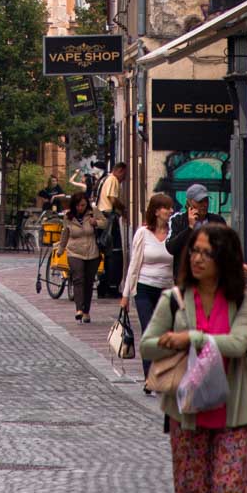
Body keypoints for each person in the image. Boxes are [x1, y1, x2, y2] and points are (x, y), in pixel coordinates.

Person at [142, 223, 247, 493]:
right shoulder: (174, 300)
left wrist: (192, 338)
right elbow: (146, 343)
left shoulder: (244, 304)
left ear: (222, 258)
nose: (196, 258)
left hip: (233, 414)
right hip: (187, 414)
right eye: (194, 251)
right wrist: (168, 340)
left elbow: (239, 344)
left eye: (206, 253)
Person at [120, 192, 175, 381]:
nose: (171, 211)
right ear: (157, 211)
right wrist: (126, 295)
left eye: (171, 207)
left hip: (166, 289)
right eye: (166, 207)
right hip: (144, 287)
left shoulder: (173, 233)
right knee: (149, 330)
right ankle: (150, 377)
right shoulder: (142, 233)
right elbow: (134, 266)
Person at [56, 189, 106, 323]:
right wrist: (61, 248)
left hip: (92, 252)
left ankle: (86, 311)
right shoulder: (68, 217)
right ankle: (78, 309)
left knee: (89, 282)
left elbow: (105, 223)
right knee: (78, 279)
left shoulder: (93, 211)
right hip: (74, 251)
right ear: (74, 205)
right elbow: (65, 233)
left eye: (83, 205)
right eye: (78, 205)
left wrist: (96, 223)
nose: (80, 208)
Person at [165, 188, 226, 275]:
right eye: (200, 202)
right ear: (189, 202)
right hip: (186, 276)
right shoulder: (178, 220)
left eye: (206, 201)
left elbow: (227, 247)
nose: (204, 205)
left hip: (211, 275)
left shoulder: (217, 220)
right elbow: (171, 247)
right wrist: (190, 228)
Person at [95, 161, 128, 298]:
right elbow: (113, 199)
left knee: (106, 253)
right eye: (124, 174)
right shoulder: (113, 179)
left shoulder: (104, 179)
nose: (124, 178)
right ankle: (111, 286)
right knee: (114, 253)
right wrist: (123, 208)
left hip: (102, 217)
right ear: (119, 170)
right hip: (109, 218)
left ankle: (103, 285)